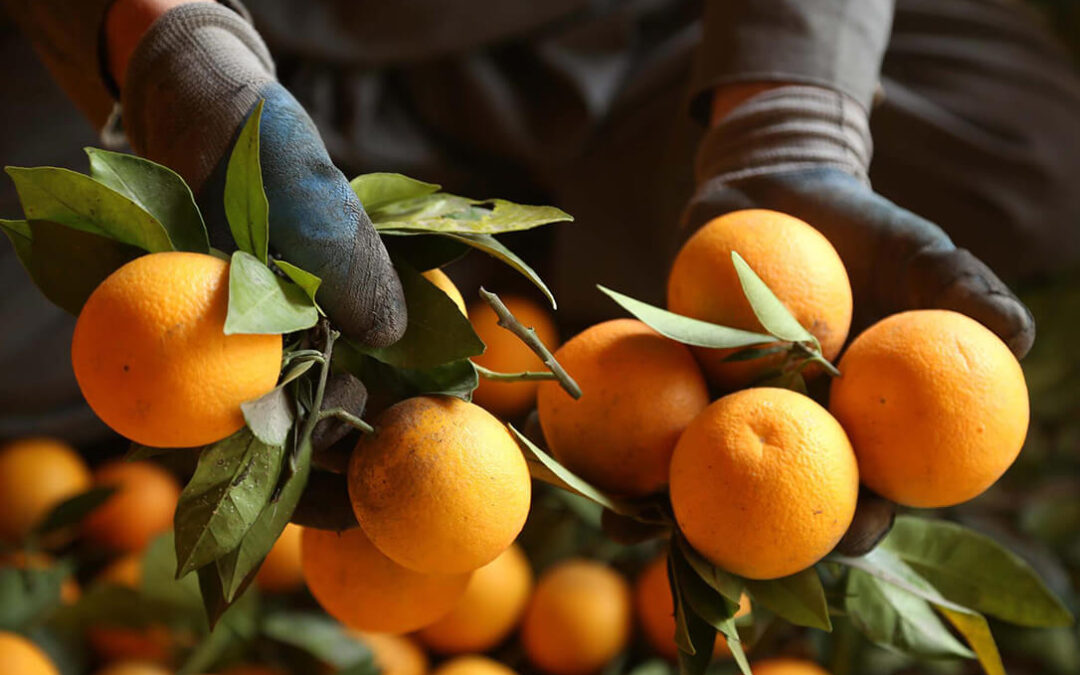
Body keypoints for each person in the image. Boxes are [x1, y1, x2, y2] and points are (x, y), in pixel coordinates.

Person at [2, 0, 1078, 443]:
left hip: (641, 28)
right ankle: (495, 285)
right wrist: (163, 43)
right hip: (257, 33)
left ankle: (505, 283)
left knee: (1037, 150)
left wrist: (785, 115)